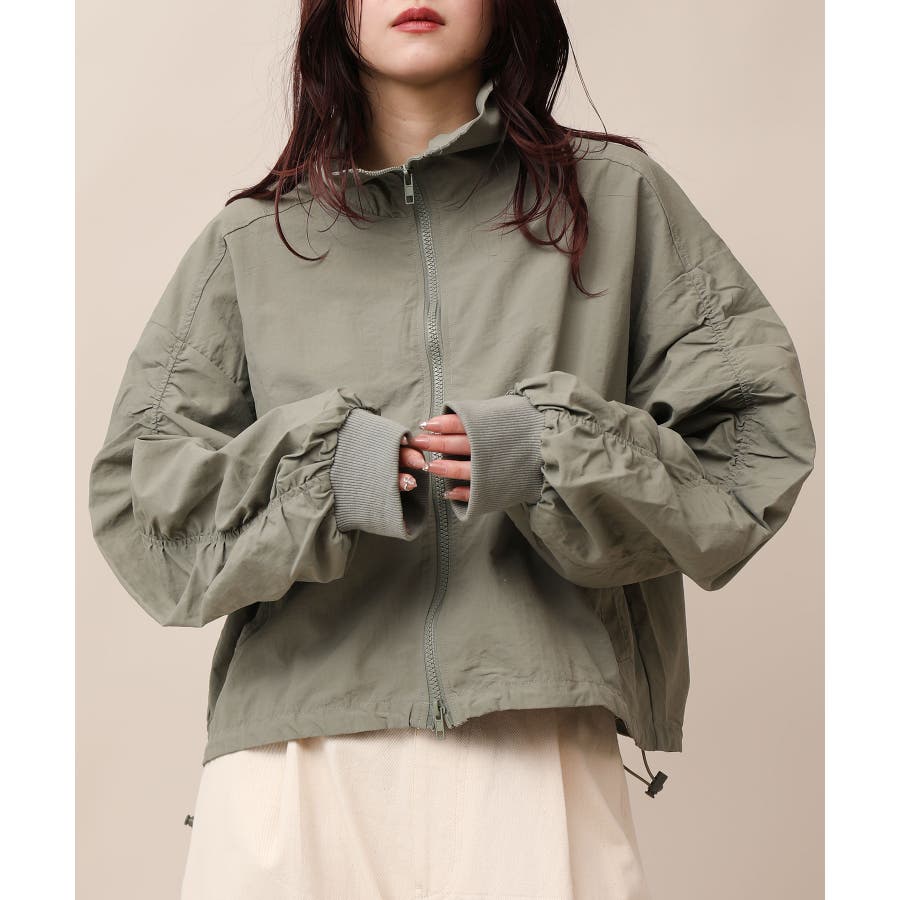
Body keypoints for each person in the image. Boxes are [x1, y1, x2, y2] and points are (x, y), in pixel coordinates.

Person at [87, 1, 817, 898]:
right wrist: (329, 475)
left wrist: (547, 450)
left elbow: (751, 449)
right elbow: (145, 516)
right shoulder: (253, 240)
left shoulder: (616, 198)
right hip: (293, 767)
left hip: (536, 749)